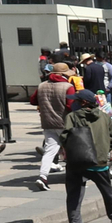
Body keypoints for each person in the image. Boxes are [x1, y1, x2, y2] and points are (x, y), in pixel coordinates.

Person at [61, 90, 112, 223]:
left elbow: (64, 137)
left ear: (83, 103)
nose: (74, 102)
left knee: (74, 194)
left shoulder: (72, 117)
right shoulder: (104, 117)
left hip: (77, 161)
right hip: (99, 161)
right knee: (106, 190)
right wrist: (103, 150)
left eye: (77, 100)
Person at [32, 62, 76, 191]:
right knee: (71, 150)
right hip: (64, 123)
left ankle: (43, 176)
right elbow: (71, 106)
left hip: (48, 123)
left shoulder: (42, 86)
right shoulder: (68, 87)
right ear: (64, 74)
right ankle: (74, 175)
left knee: (49, 151)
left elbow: (33, 100)